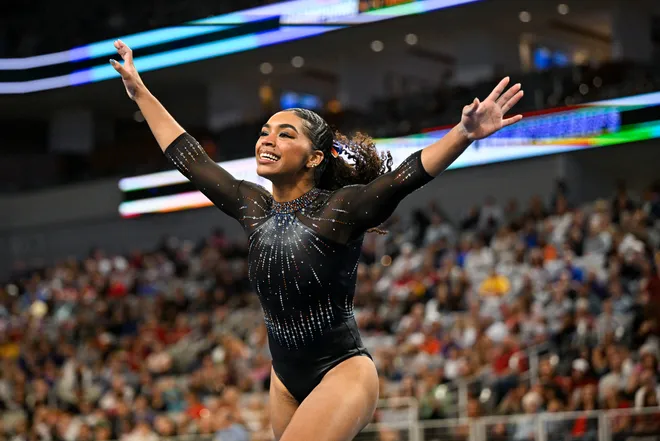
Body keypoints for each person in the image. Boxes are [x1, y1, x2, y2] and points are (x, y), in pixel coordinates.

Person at [110, 39, 524, 441]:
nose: (267, 140)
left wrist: (463, 134)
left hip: (343, 370)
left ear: (314, 158)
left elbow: (404, 178)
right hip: (284, 379)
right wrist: (139, 91)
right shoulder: (251, 206)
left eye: (285, 134)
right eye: (265, 132)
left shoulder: (338, 209)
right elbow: (190, 158)